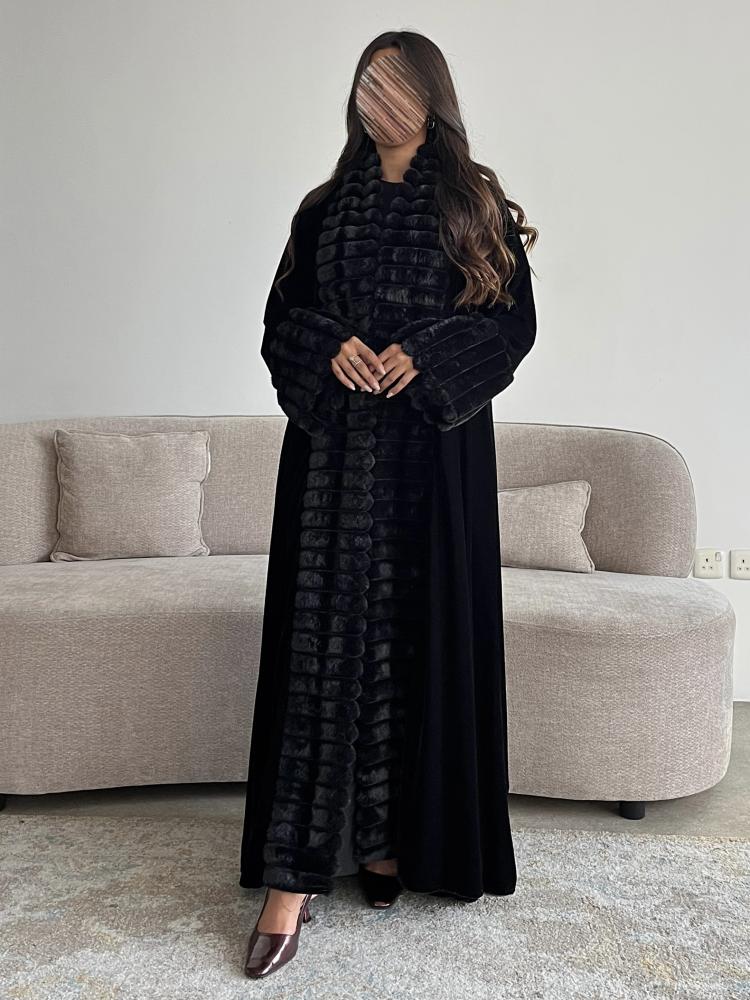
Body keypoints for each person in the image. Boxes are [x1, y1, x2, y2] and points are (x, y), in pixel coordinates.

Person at [240, 29, 538, 979]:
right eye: (369, 83)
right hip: (333, 459)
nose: (381, 100)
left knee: (418, 644)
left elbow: (513, 323)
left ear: (431, 96)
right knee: (322, 652)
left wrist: (429, 354)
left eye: (399, 85)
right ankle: (289, 885)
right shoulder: (323, 209)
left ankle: (387, 845)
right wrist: (327, 345)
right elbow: (279, 321)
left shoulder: (473, 201)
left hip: (433, 464)